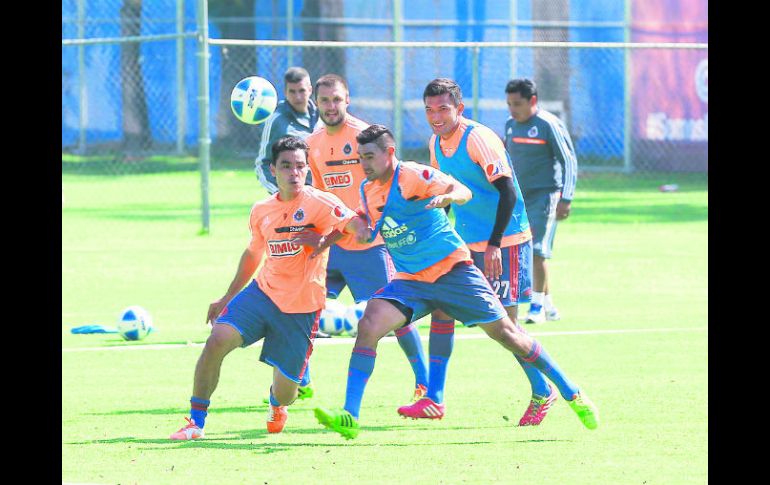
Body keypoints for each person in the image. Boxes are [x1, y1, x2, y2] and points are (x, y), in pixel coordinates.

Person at [312, 124, 599, 439]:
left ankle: (571, 392)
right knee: (369, 327)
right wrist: (333, 237)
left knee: (507, 334)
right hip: (411, 280)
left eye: (369, 157)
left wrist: (449, 196)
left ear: (389, 153)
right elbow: (361, 223)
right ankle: (350, 416)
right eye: (359, 158)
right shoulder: (367, 190)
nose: (363, 164)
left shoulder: (413, 176)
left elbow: (464, 190)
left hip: (452, 272)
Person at [169, 136, 364, 440]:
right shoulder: (261, 210)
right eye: (286, 166)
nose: (294, 173)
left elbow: (357, 228)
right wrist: (227, 297)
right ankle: (196, 421)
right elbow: (253, 254)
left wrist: (323, 241)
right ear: (273, 170)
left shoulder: (321, 202)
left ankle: (277, 403)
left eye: (300, 166)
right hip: (263, 293)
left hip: (302, 307)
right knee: (217, 339)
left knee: (287, 393)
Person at [421, 77, 555, 426]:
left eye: (443, 109)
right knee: (442, 309)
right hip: (466, 242)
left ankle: (543, 389)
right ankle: (434, 397)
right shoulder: (435, 142)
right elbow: (447, 194)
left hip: (505, 242)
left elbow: (508, 192)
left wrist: (495, 243)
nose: (436, 116)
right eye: (430, 110)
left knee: (507, 326)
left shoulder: (479, 138)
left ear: (459, 109)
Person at [303, 74, 429, 403]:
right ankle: (298, 378)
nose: (331, 106)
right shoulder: (312, 144)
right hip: (332, 245)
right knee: (303, 308)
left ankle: (424, 381)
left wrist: (372, 222)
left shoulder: (363, 137)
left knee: (396, 315)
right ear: (316, 103)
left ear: (348, 100)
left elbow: (390, 182)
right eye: (325, 100)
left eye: (337, 100)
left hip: (367, 246)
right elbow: (318, 193)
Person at [503, 78, 578, 324]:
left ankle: (536, 308)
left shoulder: (548, 124)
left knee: (537, 251)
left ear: (532, 101)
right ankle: (549, 304)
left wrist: (565, 198)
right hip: (519, 199)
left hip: (546, 196)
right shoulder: (511, 126)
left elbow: (569, 161)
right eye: (509, 104)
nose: (513, 109)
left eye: (518, 104)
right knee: (524, 249)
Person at [254, 67, 319, 195]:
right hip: (294, 198)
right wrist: (281, 194)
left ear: (310, 90)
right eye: (292, 92)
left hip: (322, 196)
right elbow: (263, 164)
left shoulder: (322, 116)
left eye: (302, 91)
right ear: (285, 92)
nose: (298, 97)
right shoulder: (276, 120)